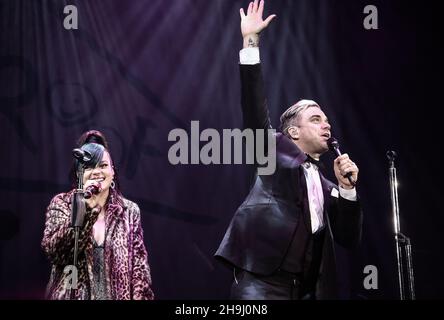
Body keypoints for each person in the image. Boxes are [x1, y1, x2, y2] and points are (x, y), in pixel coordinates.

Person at [215, 0, 363, 300]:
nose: (326, 125)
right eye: (316, 118)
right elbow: (254, 106)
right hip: (261, 283)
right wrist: (250, 41)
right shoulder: (272, 149)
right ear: (293, 132)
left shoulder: (326, 186)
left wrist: (347, 190)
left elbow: (348, 239)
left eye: (327, 120)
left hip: (306, 291)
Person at [41, 130, 154, 300]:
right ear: (80, 173)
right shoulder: (63, 204)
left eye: (102, 165)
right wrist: (86, 212)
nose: (96, 172)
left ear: (113, 171)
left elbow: (140, 271)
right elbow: (55, 252)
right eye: (89, 166)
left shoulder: (129, 211)